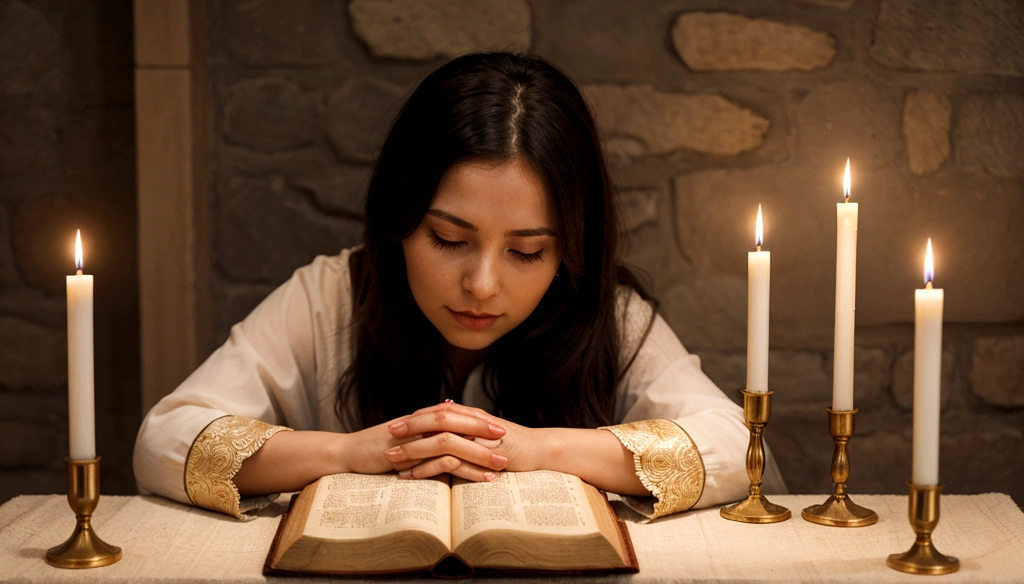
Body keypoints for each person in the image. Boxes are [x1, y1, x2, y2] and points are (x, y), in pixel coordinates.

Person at [133, 52, 783, 522]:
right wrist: (353, 452)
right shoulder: (332, 293)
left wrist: (539, 448)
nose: (481, 284)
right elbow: (166, 439)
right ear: (400, 219)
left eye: (528, 250)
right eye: (449, 239)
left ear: (570, 248)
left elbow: (735, 444)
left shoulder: (605, 314)